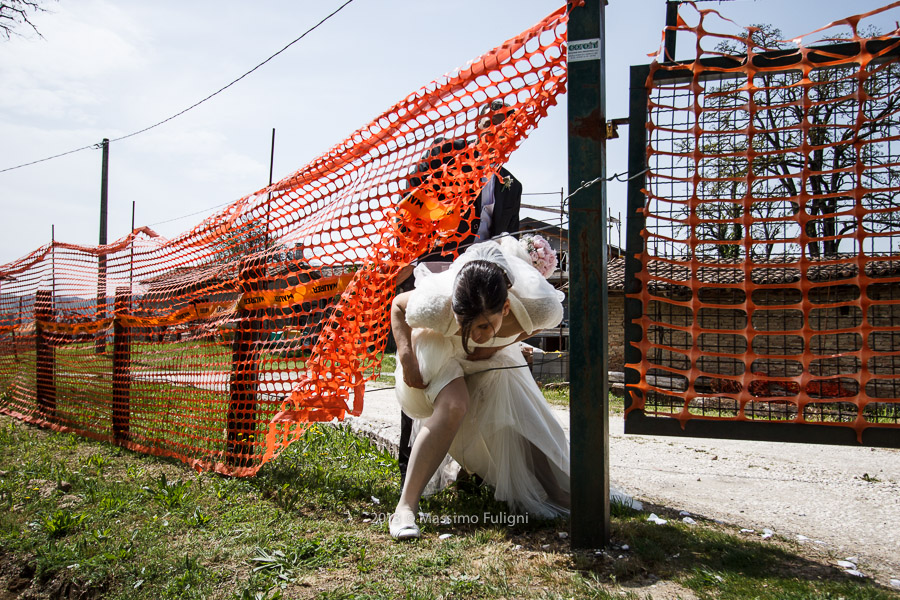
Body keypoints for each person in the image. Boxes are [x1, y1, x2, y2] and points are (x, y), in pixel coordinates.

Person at [388, 238, 570, 540]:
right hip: (440, 350)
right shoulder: (435, 307)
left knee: (520, 407)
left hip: (489, 358)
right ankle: (405, 507)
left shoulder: (541, 309)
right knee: (454, 405)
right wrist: (407, 359)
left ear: (507, 307)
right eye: (467, 324)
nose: (476, 334)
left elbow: (537, 327)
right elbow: (398, 306)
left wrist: (501, 344)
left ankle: (555, 493)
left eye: (485, 325)